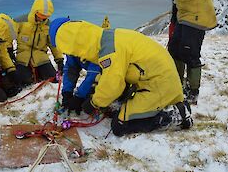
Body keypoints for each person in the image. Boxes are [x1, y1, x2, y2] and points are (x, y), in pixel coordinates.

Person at [49, 18, 193, 137]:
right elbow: (106, 75)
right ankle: (153, 106)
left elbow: (112, 84)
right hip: (150, 79)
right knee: (115, 103)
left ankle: (175, 115)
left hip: (159, 84)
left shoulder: (109, 51)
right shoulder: (104, 39)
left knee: (120, 125)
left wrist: (94, 103)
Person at [14, 0, 64, 85]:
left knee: (53, 79)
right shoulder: (19, 21)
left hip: (41, 57)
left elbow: (53, 45)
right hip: (22, 57)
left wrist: (59, 60)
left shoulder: (49, 26)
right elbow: (8, 38)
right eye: (40, 16)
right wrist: (9, 52)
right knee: (24, 82)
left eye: (45, 17)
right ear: (34, 11)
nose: (42, 19)